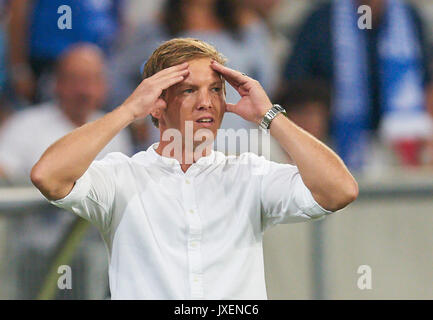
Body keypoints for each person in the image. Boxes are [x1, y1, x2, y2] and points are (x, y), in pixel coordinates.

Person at [31, 38, 358, 299]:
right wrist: (129, 110)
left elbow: (340, 190)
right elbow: (48, 175)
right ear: (156, 103)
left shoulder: (249, 173)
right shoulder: (121, 177)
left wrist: (268, 116)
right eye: (190, 90)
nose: (207, 102)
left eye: (215, 89)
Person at [108, 0, 279, 152]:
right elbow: (118, 77)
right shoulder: (154, 28)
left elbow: (266, 84)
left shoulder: (247, 28)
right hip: (172, 142)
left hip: (233, 139)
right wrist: (138, 121)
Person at [282, 0, 433, 169]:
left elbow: (426, 81)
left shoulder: (410, 18)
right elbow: (297, 86)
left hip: (398, 146)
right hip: (334, 142)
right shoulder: (321, 20)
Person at [0, 44, 133, 183]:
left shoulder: (116, 131)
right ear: (57, 83)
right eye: (75, 80)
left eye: (91, 80)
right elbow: (3, 170)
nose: (84, 91)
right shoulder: (23, 125)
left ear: (105, 85)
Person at [8, 0, 125, 103]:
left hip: (99, 60)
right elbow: (18, 13)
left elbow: (119, 18)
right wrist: (19, 68)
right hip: (50, 60)